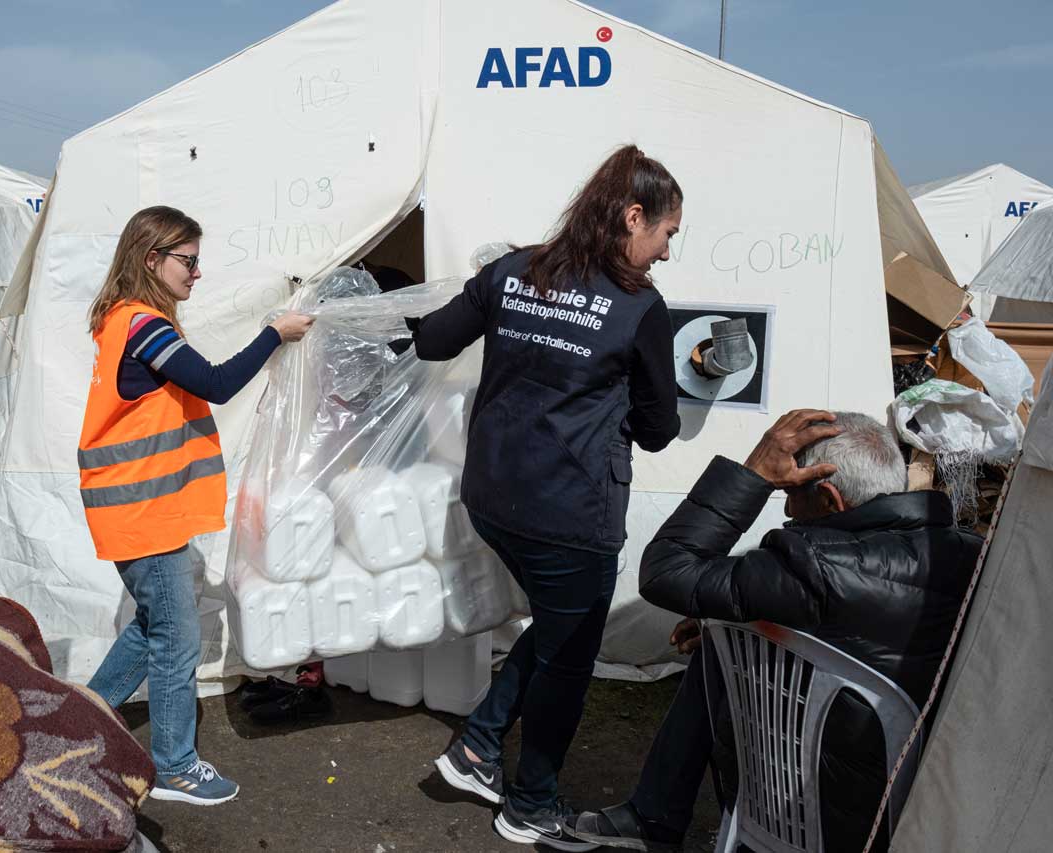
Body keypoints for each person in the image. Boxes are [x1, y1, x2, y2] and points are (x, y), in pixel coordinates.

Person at [411, 145, 684, 851]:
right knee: (569, 654)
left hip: (494, 495)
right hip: (570, 512)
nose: (663, 252)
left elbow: (434, 340)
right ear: (633, 217)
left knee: (562, 628)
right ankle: (528, 802)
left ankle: (476, 747)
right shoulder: (637, 308)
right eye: (665, 234)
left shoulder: (512, 271)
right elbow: (659, 430)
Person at [572, 410, 982, 852]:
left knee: (719, 641)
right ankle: (652, 815)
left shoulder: (813, 566)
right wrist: (730, 622)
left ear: (828, 499)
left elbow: (666, 572)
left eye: (790, 492)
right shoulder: (972, 556)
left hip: (826, 807)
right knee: (721, 633)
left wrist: (754, 473)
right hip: (934, 797)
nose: (786, 509)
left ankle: (653, 815)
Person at [78, 206, 313, 806]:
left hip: (142, 507)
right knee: (177, 639)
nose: (197, 273)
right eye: (189, 260)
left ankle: (82, 720)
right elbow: (215, 383)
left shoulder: (123, 321)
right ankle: (175, 766)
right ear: (152, 259)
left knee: (152, 626)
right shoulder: (144, 325)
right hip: (144, 511)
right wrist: (274, 334)